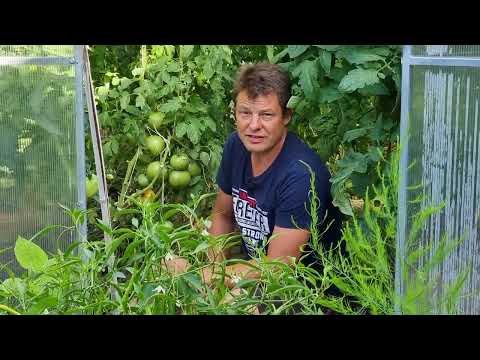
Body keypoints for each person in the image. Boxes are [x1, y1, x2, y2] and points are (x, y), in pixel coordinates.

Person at [165, 62, 343, 308]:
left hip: (307, 288)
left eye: (266, 115)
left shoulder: (302, 175)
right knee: (175, 277)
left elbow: (278, 269)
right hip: (254, 270)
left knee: (234, 303)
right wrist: (212, 270)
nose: (254, 125)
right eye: (245, 113)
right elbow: (223, 215)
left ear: (287, 116)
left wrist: (210, 277)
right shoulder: (236, 147)